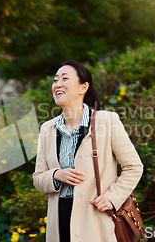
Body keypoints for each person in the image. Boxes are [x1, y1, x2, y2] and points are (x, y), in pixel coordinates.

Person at [33, 60, 144, 242]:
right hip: (59, 223)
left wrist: (112, 197)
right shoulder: (47, 128)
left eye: (65, 78)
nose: (57, 84)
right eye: (55, 80)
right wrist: (56, 175)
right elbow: (38, 178)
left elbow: (134, 166)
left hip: (95, 219)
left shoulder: (107, 121)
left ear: (83, 87)